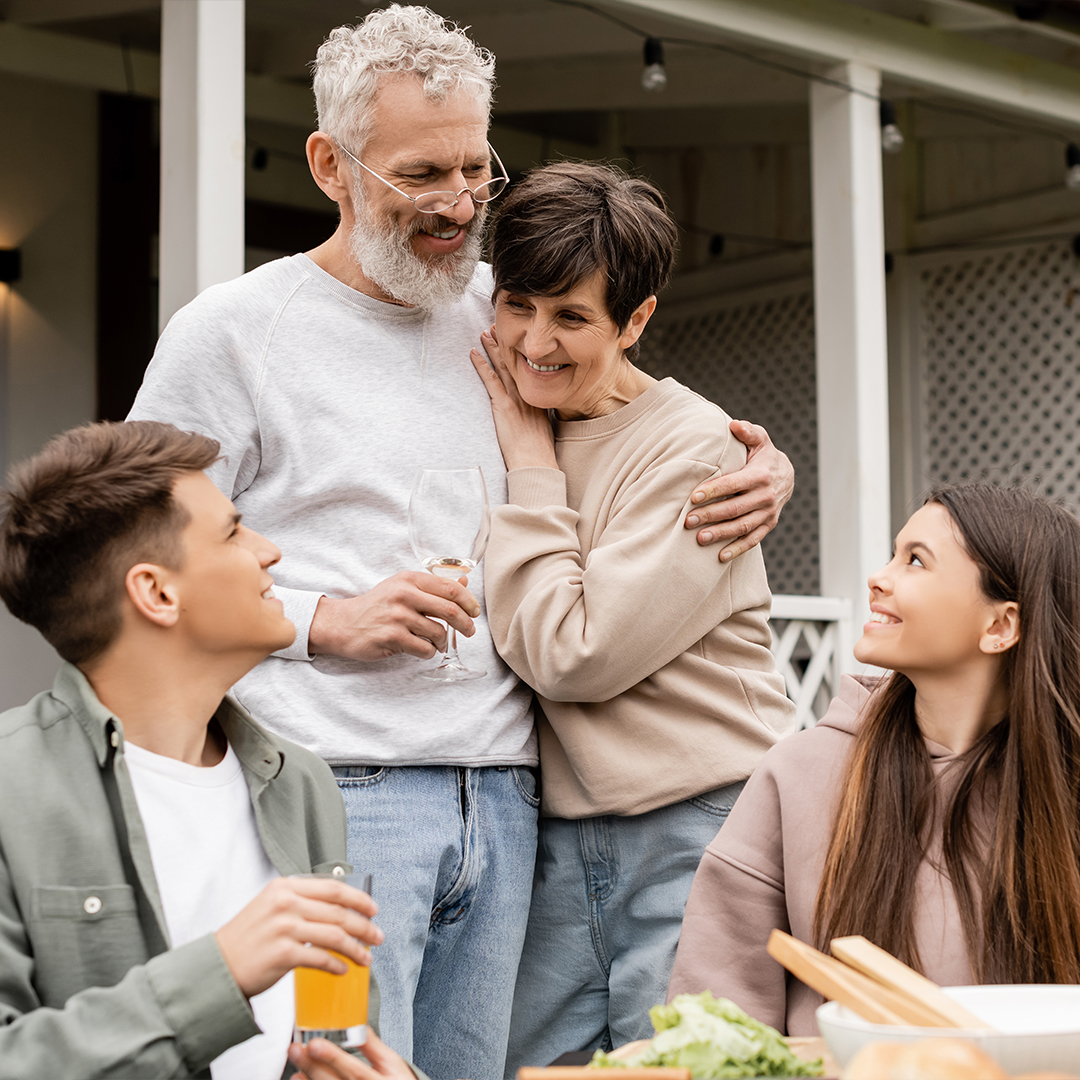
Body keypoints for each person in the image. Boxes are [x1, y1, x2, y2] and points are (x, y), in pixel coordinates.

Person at [128, 8, 794, 1077]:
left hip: (517, 793)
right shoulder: (234, 333)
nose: (457, 204)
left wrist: (759, 463)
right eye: (420, 172)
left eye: (476, 169)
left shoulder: (503, 310)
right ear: (329, 165)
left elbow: (630, 398)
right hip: (340, 792)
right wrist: (319, 620)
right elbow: (138, 555)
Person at [469, 161, 798, 1072]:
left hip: (696, 826)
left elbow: (577, 654)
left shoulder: (697, 449)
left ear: (637, 321)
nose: (534, 341)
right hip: (553, 834)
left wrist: (532, 470)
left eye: (572, 318)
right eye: (517, 304)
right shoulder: (492, 391)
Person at [0, 420, 419, 1080]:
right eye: (232, 531)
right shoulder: (9, 787)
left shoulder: (301, 783)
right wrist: (220, 971)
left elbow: (332, 1035)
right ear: (157, 592)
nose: (269, 551)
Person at [666, 483, 1080, 1035]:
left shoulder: (1065, 792)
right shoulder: (799, 773)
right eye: (893, 553)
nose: (878, 577)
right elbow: (717, 1010)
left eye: (915, 561)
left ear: (1000, 626)